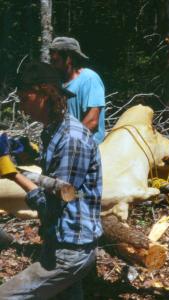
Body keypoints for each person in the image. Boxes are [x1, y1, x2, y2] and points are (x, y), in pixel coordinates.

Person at [0, 62, 103, 299]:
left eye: (26, 99)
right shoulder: (54, 130)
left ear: (44, 94)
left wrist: (12, 173)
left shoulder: (71, 138)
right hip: (60, 241)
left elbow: (61, 197)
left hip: (70, 251)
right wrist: (31, 154)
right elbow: (55, 174)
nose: (23, 108)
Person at [49, 36, 106, 144]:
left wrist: (66, 143)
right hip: (64, 144)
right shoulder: (58, 84)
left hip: (87, 148)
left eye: (55, 61)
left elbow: (92, 121)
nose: (52, 65)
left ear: (69, 58)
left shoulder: (89, 79)